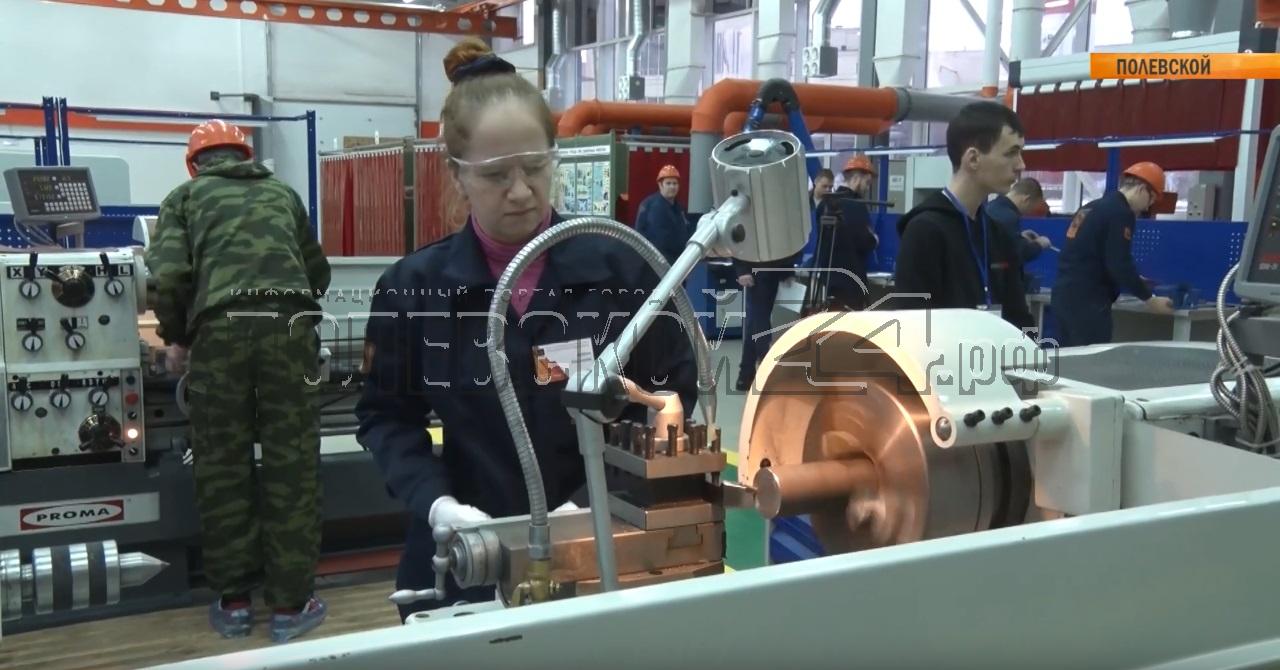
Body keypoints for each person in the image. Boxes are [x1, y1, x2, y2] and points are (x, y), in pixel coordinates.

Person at [355, 38, 698, 622]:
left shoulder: (622, 268)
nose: (520, 191)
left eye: (535, 167)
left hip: (608, 540)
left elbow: (672, 394)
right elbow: (386, 416)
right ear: (457, 175)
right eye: (495, 175)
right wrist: (437, 504)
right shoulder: (414, 288)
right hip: (471, 555)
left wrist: (594, 500)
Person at [147, 119, 331, 642]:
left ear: (194, 163)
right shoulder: (283, 194)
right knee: (291, 466)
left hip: (220, 336)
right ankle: (291, 606)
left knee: (222, 466)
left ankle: (233, 604)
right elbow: (317, 273)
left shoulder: (184, 199)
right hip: (289, 330)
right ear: (246, 155)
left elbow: (168, 278)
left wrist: (177, 338)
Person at [892, 101, 1035, 332]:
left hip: (998, 354)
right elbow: (913, 327)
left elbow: (1020, 318)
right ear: (973, 159)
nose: (1021, 165)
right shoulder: (925, 231)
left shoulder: (998, 234)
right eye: (1011, 153)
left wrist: (1030, 352)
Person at [1050, 162, 1175, 346]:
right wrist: (1150, 298)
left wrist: (1131, 278)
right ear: (1142, 189)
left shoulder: (1091, 207)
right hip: (1089, 304)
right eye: (1151, 200)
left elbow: (1087, 251)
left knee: (1068, 357)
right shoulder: (1121, 213)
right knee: (1091, 359)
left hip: (1063, 296)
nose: (1147, 208)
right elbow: (1119, 263)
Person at [811, 156, 880, 310]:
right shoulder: (857, 206)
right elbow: (864, 241)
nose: (867, 188)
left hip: (828, 280)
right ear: (857, 178)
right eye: (867, 183)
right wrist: (874, 239)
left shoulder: (824, 204)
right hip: (852, 280)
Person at [986, 177, 1052, 269]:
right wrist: (1040, 244)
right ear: (1026, 199)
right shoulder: (1009, 216)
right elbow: (1019, 254)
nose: (1029, 212)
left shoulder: (992, 207)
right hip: (999, 273)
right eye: (1031, 207)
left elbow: (1000, 242)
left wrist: (1020, 237)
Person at [634, 164, 690, 266]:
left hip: (676, 261)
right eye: (668, 183)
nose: (672, 187)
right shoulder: (654, 207)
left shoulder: (678, 207)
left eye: (675, 183)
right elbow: (659, 240)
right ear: (660, 185)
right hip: (657, 262)